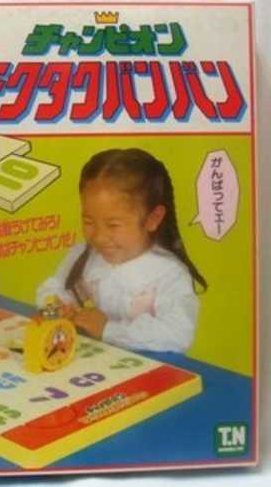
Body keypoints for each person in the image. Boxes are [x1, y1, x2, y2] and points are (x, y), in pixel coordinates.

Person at [36, 148, 207, 353]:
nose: (99, 237)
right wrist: (57, 307)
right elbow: (55, 288)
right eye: (88, 222)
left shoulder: (169, 274)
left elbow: (178, 335)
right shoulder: (85, 255)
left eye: (113, 225)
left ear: (153, 219)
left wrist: (108, 329)